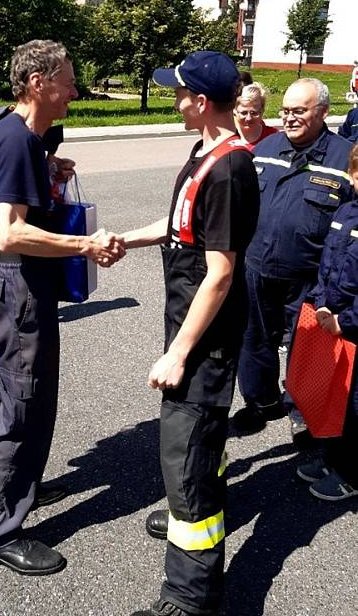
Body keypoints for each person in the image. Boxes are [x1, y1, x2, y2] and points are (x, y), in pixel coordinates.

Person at [0, 39, 123, 575]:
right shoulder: (15, 140)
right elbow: (10, 233)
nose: (74, 90)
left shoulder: (23, 138)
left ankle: (21, 490)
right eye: (68, 80)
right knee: (21, 403)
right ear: (39, 83)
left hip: (20, 287)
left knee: (29, 400)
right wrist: (84, 245)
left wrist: (50, 170)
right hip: (16, 286)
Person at [121, 51, 259, 616]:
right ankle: (191, 505)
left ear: (201, 103)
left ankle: (189, 598)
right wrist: (123, 240)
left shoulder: (229, 168)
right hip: (187, 322)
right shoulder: (202, 152)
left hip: (203, 340)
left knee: (187, 453)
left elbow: (220, 273)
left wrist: (178, 354)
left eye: (178, 94)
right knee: (198, 456)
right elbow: (181, 230)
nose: (173, 101)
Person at [234, 78, 352, 446]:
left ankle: (302, 412)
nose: (289, 118)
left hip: (310, 277)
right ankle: (261, 401)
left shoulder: (344, 156)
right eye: (285, 110)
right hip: (256, 267)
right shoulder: (265, 148)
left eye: (298, 111)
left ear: (323, 112)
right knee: (253, 340)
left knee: (305, 349)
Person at [295, 143, 358, 501]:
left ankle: (351, 473)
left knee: (354, 407)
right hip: (330, 319)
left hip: (351, 325)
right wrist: (319, 304)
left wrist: (345, 320)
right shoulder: (346, 211)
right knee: (333, 396)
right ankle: (334, 457)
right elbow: (327, 264)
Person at [234, 81, 278, 150]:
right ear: (235, 111)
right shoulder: (227, 136)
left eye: (254, 113)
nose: (248, 118)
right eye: (244, 113)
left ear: (262, 111)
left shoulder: (273, 137)